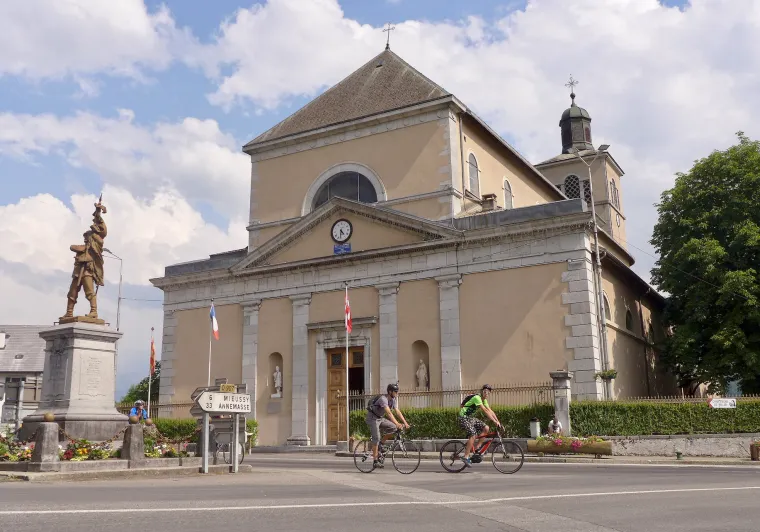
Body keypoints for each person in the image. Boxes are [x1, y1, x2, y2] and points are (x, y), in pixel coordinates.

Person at [365, 383, 409, 469]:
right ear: (390, 392)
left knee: (394, 428)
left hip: (380, 418)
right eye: (395, 392)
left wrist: (405, 422)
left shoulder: (393, 400)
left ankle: (381, 444)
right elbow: (389, 413)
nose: (397, 393)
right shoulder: (383, 399)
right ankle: (375, 461)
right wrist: (397, 423)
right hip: (372, 418)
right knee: (376, 438)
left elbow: (397, 411)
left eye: (397, 391)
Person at [458, 384, 502, 467]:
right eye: (485, 391)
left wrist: (498, 421)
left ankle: (477, 448)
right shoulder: (477, 398)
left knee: (486, 428)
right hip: (463, 418)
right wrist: (494, 421)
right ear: (482, 391)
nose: (486, 393)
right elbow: (485, 410)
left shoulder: (484, 400)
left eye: (488, 392)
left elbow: (490, 411)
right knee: (473, 434)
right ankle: (466, 457)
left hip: (470, 418)